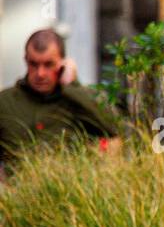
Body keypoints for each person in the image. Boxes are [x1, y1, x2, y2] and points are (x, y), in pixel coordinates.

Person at [0, 29, 118, 166]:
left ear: (62, 63)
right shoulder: (5, 102)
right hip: (17, 185)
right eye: (33, 64)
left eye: (48, 64)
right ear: (25, 61)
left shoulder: (78, 101)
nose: (40, 73)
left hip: (66, 184)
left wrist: (71, 85)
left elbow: (112, 127)